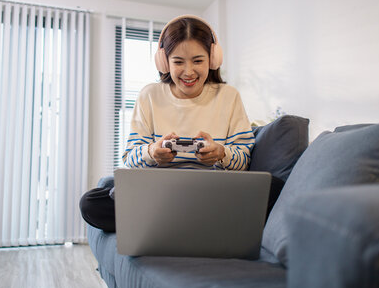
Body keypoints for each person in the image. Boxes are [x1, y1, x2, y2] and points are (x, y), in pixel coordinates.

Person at [80, 15, 254, 232]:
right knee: (92, 202)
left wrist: (221, 153)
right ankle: (191, 224)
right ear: (164, 62)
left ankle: (167, 225)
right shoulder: (149, 95)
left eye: (198, 60)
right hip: (159, 194)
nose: (188, 71)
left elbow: (244, 160)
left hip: (210, 192)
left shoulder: (229, 96)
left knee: (273, 189)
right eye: (178, 62)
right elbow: (130, 159)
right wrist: (152, 152)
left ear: (212, 59)